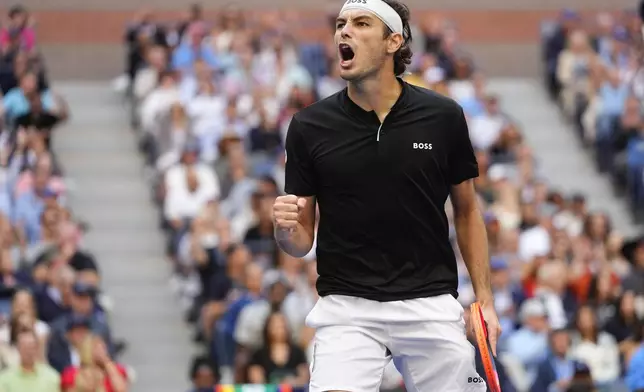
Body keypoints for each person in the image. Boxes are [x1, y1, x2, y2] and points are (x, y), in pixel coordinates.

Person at [272, 0, 501, 390]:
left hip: (428, 303)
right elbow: (300, 242)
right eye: (342, 23)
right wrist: (283, 230)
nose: (344, 31)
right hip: (347, 309)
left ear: (393, 42)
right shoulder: (309, 126)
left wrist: (485, 300)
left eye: (361, 23)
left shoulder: (444, 116)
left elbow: (466, 211)